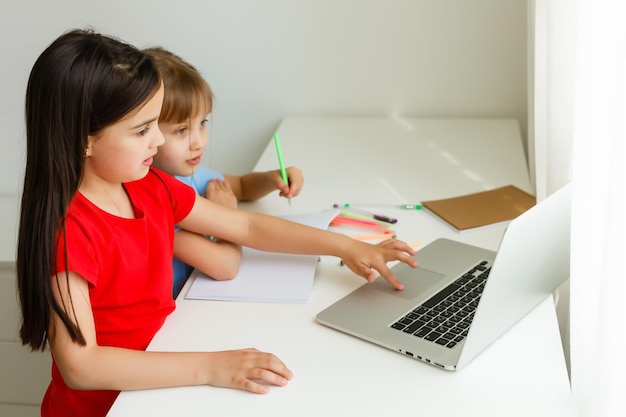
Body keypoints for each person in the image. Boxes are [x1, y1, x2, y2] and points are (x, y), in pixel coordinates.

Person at [17, 28, 417, 417]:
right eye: (142, 130)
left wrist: (346, 246)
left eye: (157, 125)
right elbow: (81, 366)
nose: (157, 142)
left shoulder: (149, 185)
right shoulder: (70, 232)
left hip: (160, 382)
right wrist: (213, 366)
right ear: (82, 139)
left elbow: (246, 228)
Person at [143, 46, 305, 297]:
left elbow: (240, 187)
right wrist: (229, 213)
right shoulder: (153, 201)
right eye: (181, 130)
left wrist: (272, 179)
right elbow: (225, 266)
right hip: (176, 320)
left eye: (202, 123)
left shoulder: (185, 172)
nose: (198, 141)